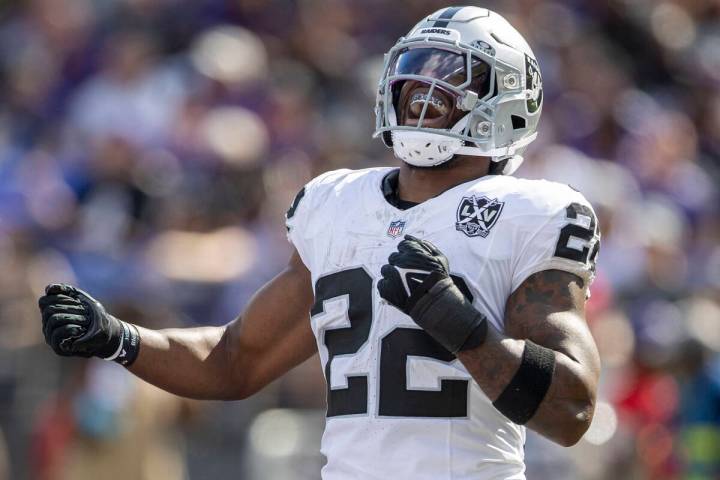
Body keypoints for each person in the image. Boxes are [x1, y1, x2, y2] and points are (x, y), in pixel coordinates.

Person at [39, 7, 601, 479]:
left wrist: (457, 323)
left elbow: (572, 411)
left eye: (452, 75)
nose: (424, 91)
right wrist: (119, 339)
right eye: (416, 72)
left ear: (508, 99)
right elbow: (235, 360)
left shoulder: (533, 212)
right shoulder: (337, 205)